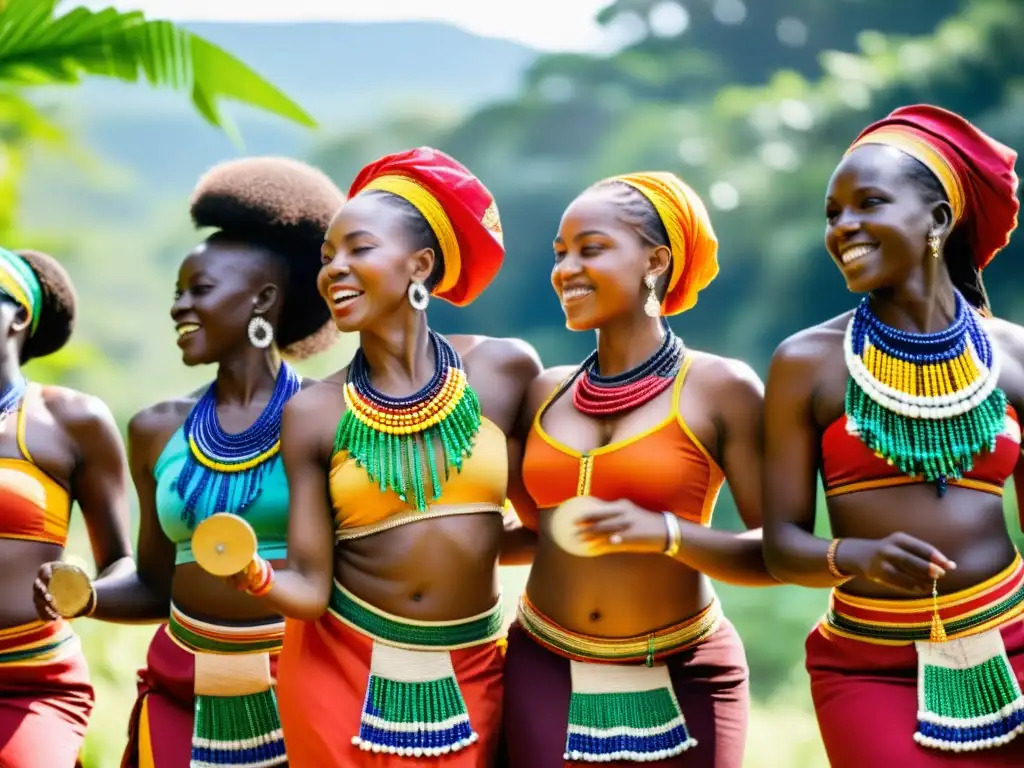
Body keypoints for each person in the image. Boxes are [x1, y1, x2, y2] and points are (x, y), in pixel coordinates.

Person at [31, 157, 346, 768]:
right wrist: (85, 595)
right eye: (176, 293)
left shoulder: (331, 417)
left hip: (305, 691)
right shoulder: (155, 428)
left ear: (264, 300)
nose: (179, 308)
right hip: (181, 692)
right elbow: (155, 583)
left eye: (199, 291)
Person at [239, 146, 540, 767]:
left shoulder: (504, 371)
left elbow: (543, 527)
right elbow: (310, 587)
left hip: (474, 667)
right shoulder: (313, 413)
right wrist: (252, 573)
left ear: (420, 266)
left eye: (359, 250)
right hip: (338, 668)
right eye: (327, 257)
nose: (334, 270)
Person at [762, 105, 1023, 765]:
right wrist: (855, 555)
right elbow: (782, 545)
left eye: (868, 203)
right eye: (832, 213)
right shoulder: (806, 363)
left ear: (937, 219)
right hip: (868, 665)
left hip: (1014, 641)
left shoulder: (1012, 355)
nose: (844, 226)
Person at [501, 171, 776, 768]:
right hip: (543, 665)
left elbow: (777, 553)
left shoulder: (720, 388)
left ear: (655, 260)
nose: (565, 269)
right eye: (559, 253)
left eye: (590, 249)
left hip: (686, 669)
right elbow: (538, 534)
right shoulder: (543, 393)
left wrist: (668, 535)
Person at [0, 247, 134, 767]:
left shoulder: (71, 421)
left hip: (30, 680)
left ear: (19, 316)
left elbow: (124, 565)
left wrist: (83, 593)